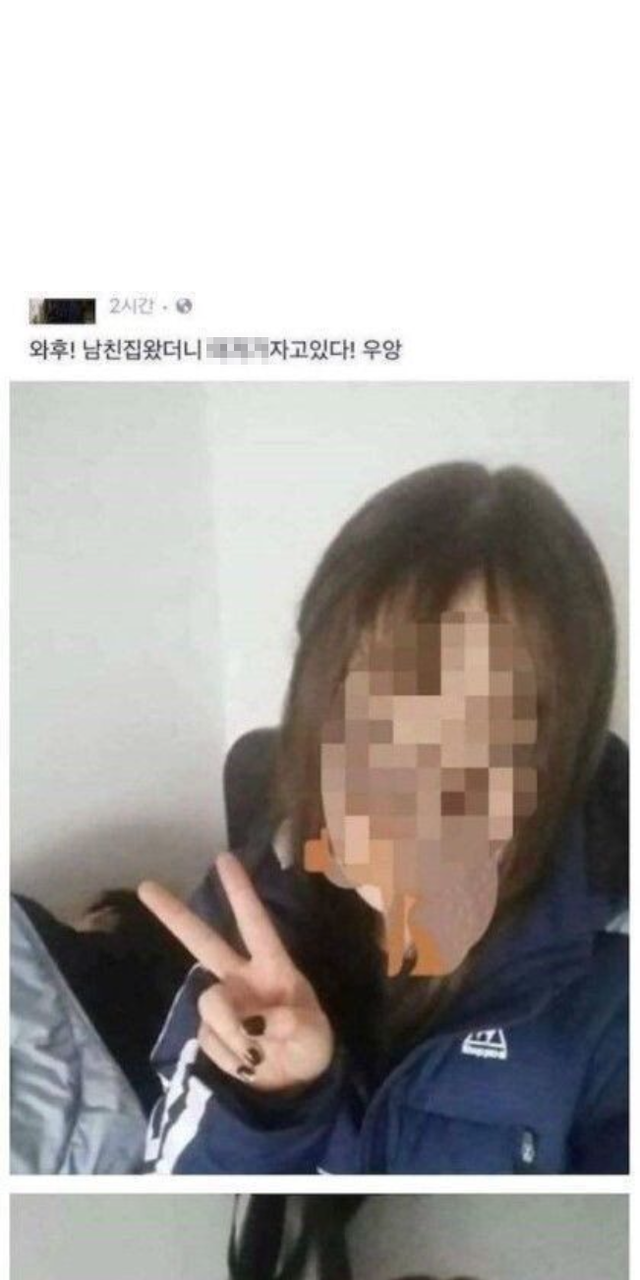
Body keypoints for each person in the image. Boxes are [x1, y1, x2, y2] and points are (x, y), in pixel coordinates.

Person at [139, 462, 628, 1173]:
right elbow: (170, 1191)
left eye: (489, 724)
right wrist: (266, 1106)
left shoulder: (613, 981)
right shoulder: (243, 929)